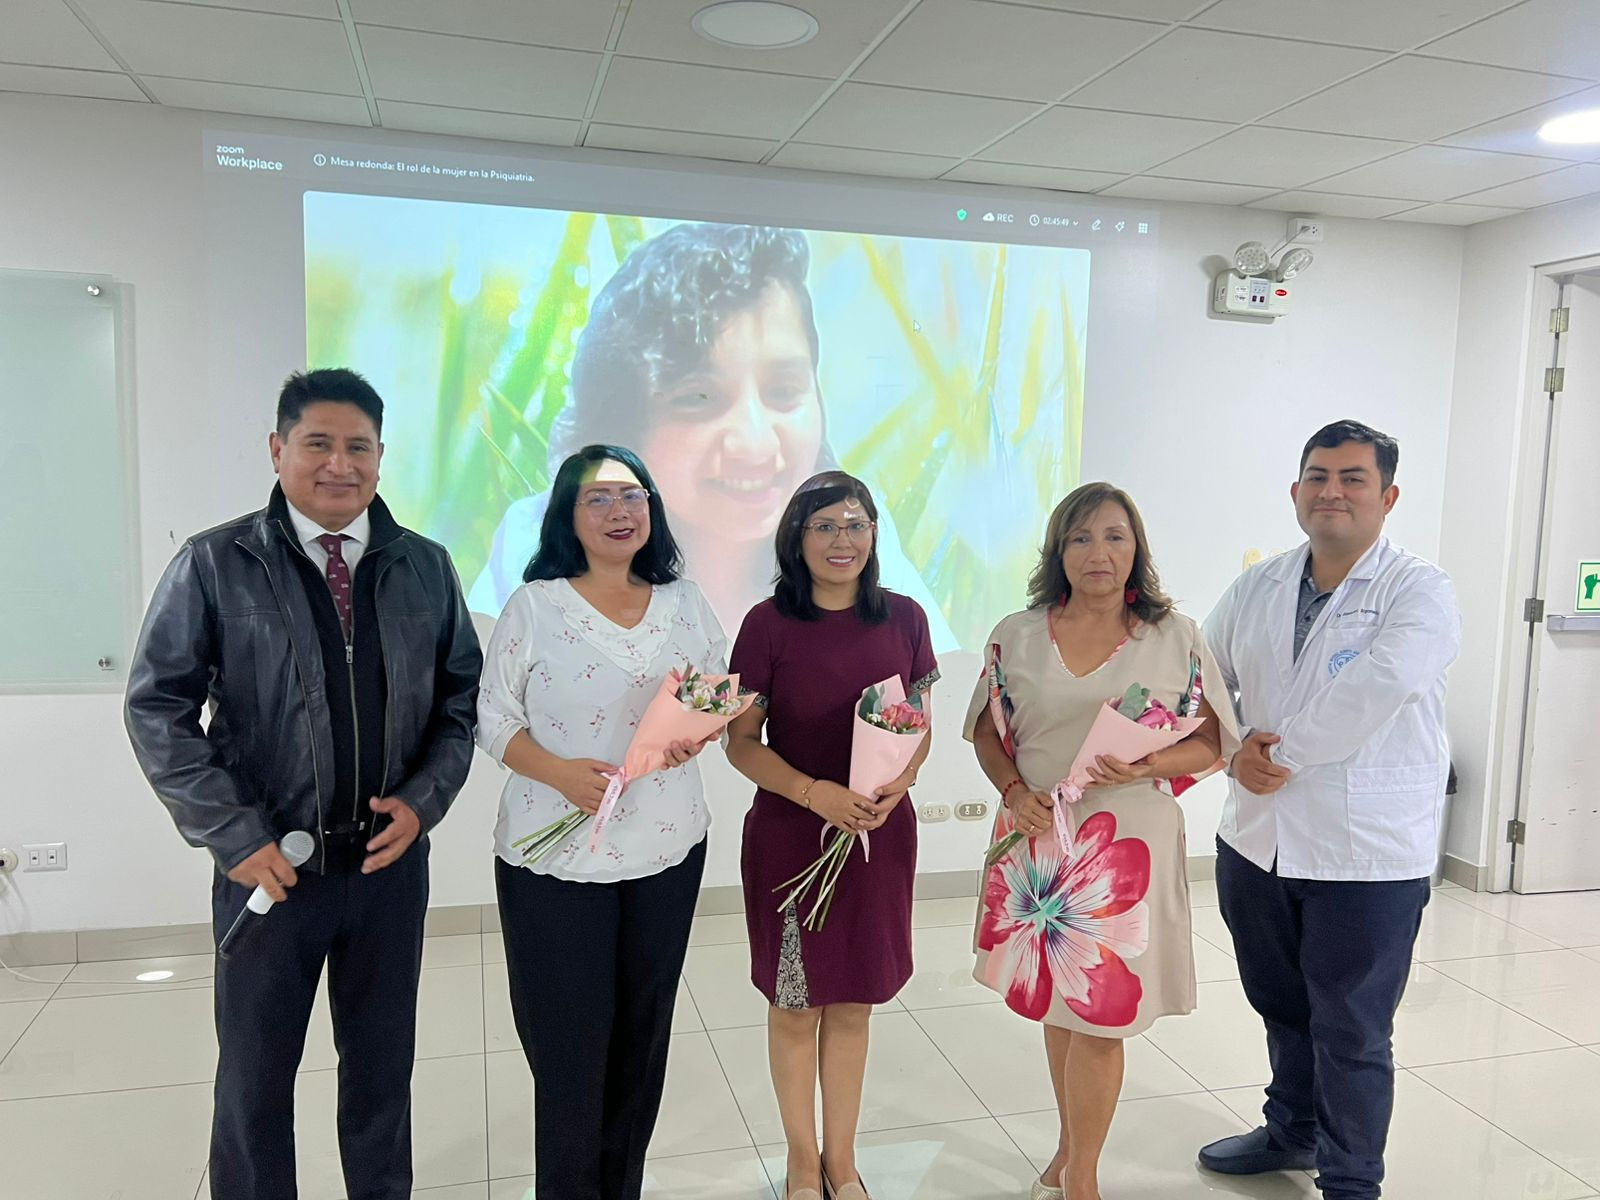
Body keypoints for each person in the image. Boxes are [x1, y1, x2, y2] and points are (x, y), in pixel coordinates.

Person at [124, 368, 482, 1200]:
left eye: (359, 447)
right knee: (254, 1076)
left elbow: (460, 702)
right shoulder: (216, 563)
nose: (339, 464)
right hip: (270, 873)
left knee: (382, 1069)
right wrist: (233, 834)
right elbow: (157, 708)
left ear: (382, 458)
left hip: (388, 871)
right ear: (277, 449)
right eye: (318, 443)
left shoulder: (425, 567)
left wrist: (425, 802)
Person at [466, 222, 957, 650]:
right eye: (699, 398)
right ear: (624, 422)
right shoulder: (535, 541)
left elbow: (933, 685)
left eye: (785, 391)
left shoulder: (849, 528)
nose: (755, 444)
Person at [1199, 420, 1460, 1200]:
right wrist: (1232, 748)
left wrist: (1268, 752)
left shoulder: (1419, 590)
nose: (1332, 492)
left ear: (1388, 496)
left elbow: (1378, 689)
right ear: (1295, 491)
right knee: (1280, 1003)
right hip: (1258, 842)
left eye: (1352, 478)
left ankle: (1351, 1181)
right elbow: (1202, 677)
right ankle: (1293, 1130)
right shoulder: (1259, 586)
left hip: (1366, 852)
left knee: (1351, 1027)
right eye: (1318, 476)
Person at [964, 483, 1232, 1200]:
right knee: (1061, 1002)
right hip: (1039, 836)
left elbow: (1211, 741)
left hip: (1126, 851)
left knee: (1103, 1014)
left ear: (1136, 547)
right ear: (1058, 552)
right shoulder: (1016, 635)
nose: (1099, 553)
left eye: (1115, 536)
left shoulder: (1175, 636)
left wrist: (1147, 764)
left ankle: (1082, 1175)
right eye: (1081, 538)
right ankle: (1068, 1150)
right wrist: (1013, 791)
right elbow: (987, 733)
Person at [476, 444, 726, 1200]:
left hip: (667, 850)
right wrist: (558, 772)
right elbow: (492, 717)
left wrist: (698, 732)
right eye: (598, 498)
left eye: (633, 496)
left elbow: (718, 694)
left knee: (641, 1040)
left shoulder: (686, 603)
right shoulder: (534, 606)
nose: (620, 512)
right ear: (567, 515)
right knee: (568, 1049)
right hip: (553, 863)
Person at [725, 471, 939, 1200]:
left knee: (852, 1004)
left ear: (874, 534)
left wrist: (900, 784)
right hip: (791, 838)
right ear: (797, 538)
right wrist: (815, 794)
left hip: (878, 839)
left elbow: (918, 727)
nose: (841, 539)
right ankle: (801, 1159)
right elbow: (740, 744)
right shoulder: (766, 624)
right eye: (823, 526)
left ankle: (842, 1161)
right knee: (795, 1005)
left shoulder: (906, 618)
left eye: (854, 524)